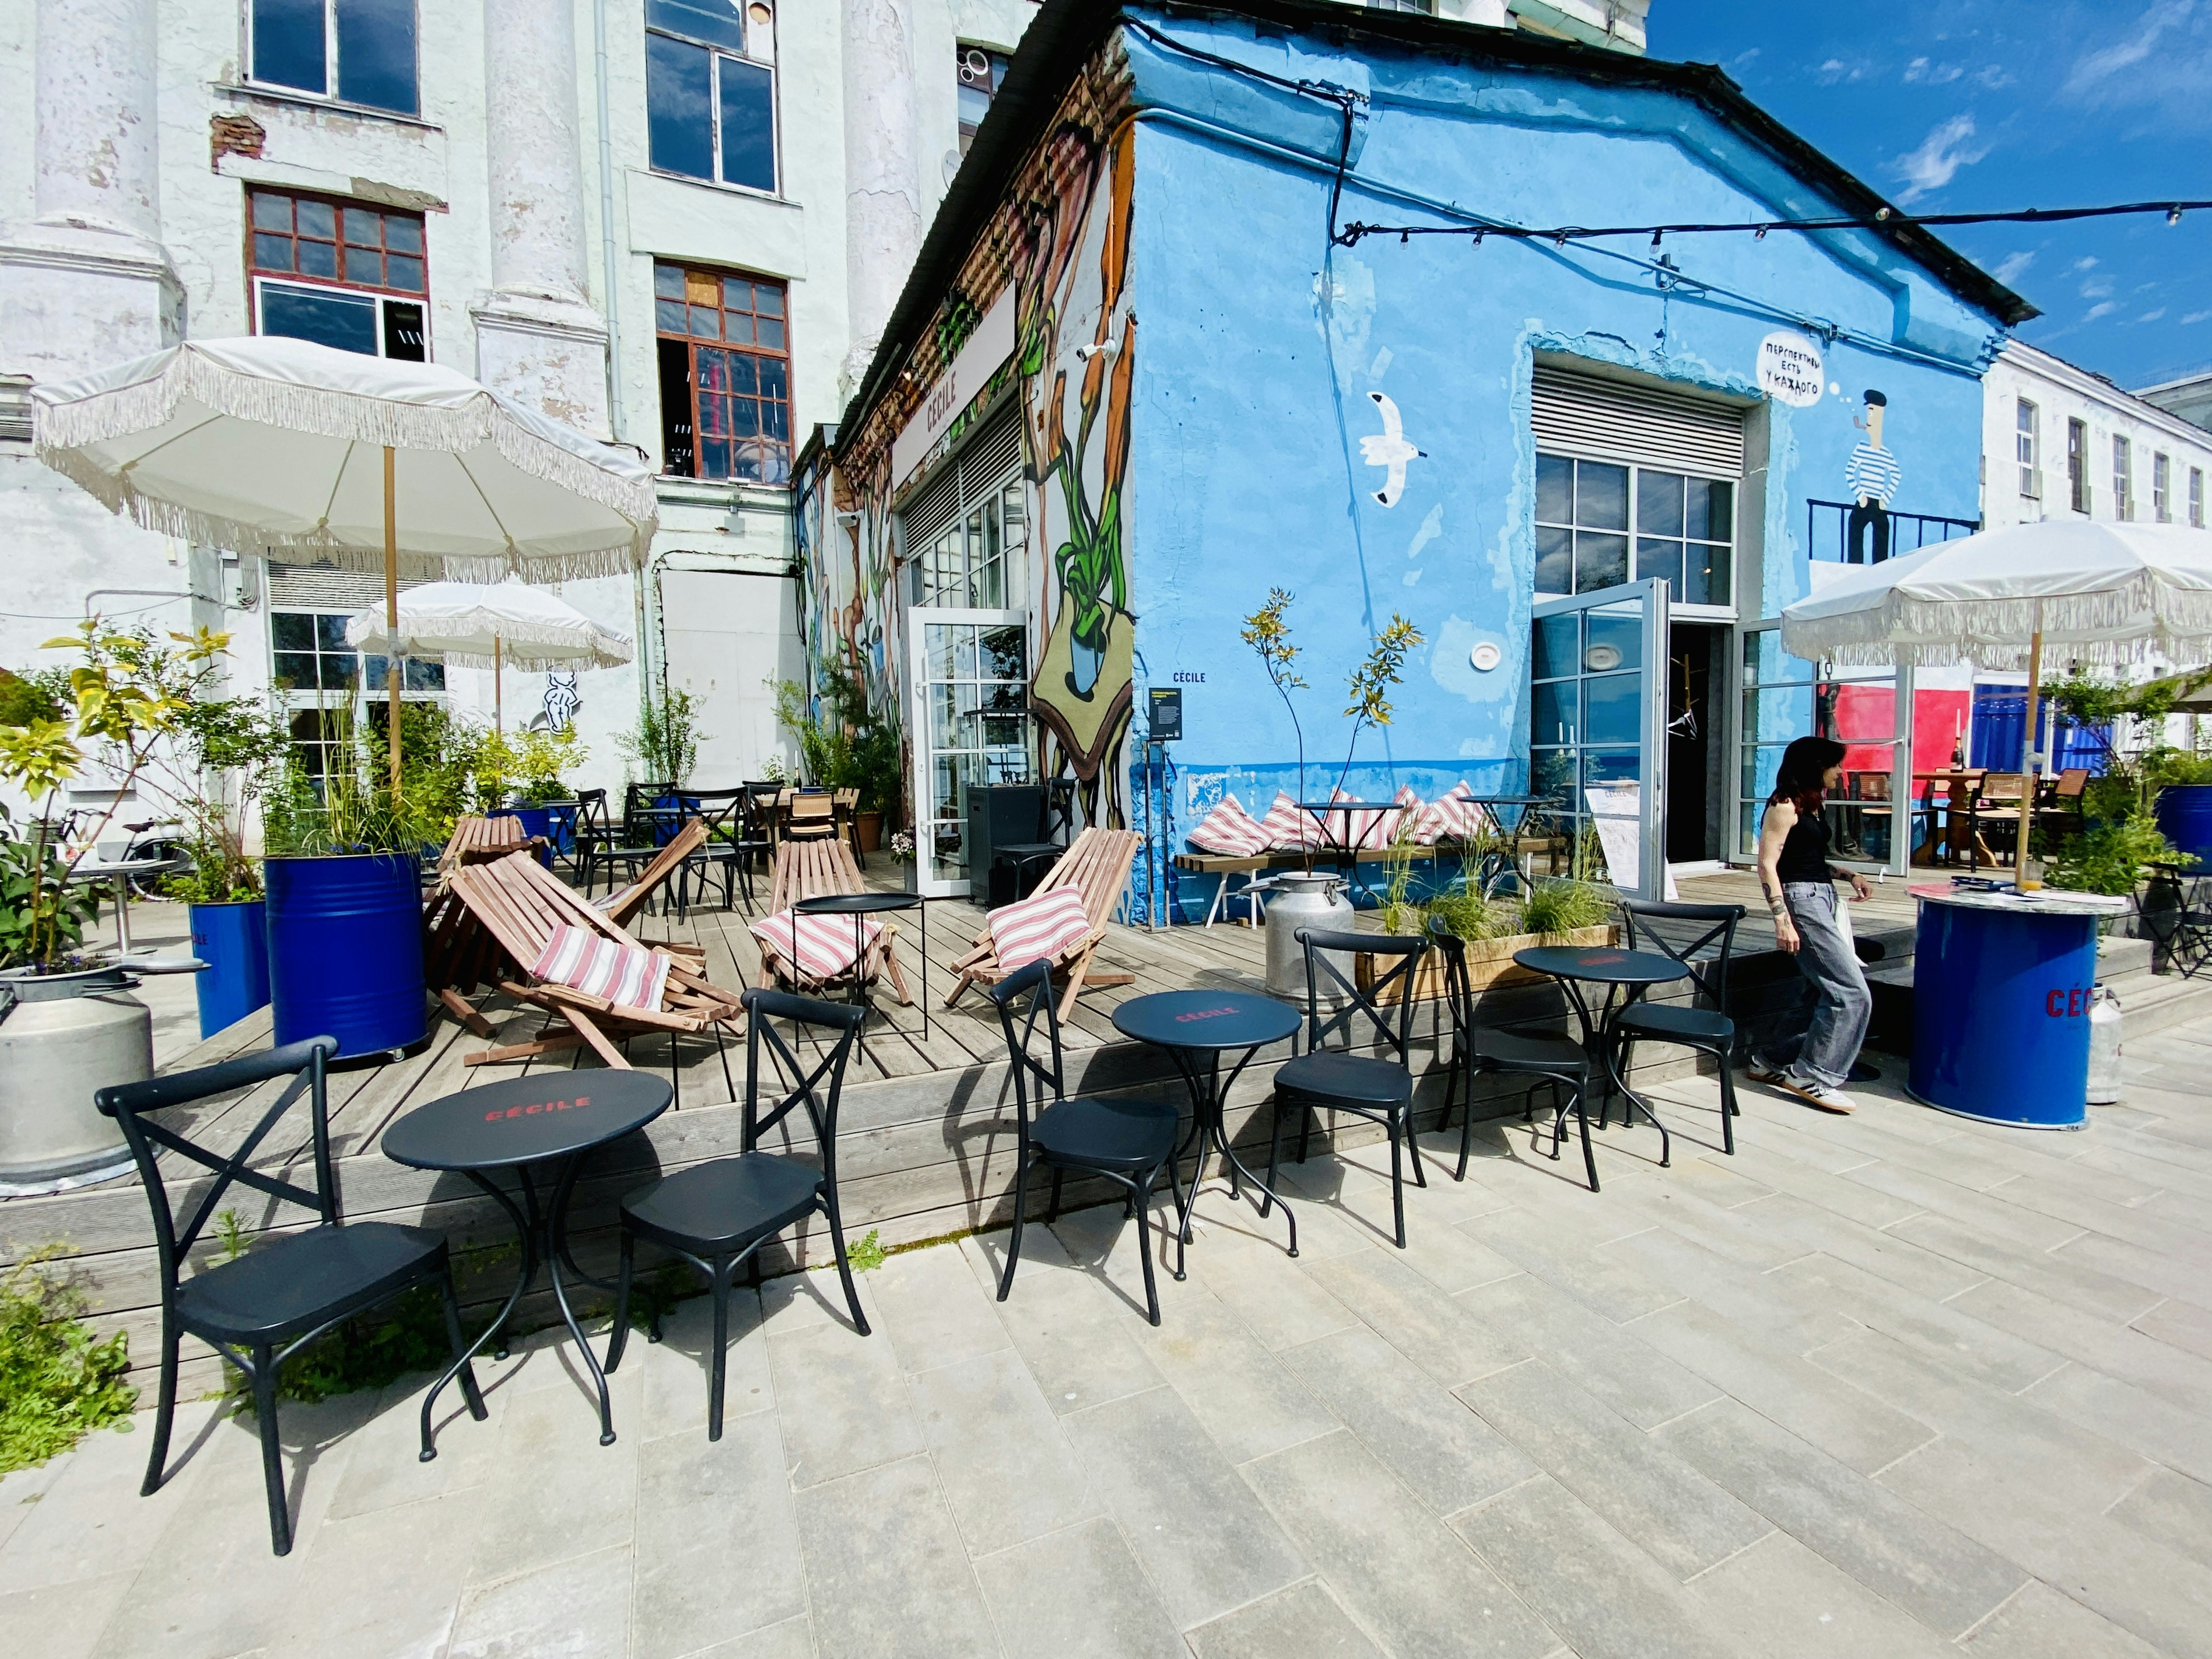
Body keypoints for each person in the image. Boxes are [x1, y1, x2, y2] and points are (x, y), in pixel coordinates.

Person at [1750, 736, 1873, 1113]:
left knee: (1818, 989)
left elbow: (1806, 858)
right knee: (1851, 993)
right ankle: (1814, 1076)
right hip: (1801, 903)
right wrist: (1781, 920)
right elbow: (1767, 865)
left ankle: (1770, 1061)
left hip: (1822, 897)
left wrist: (1848, 874)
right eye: (1834, 765)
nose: (1840, 771)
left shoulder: (1811, 804)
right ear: (1814, 766)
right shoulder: (1783, 805)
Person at [1844, 389, 1901, 565]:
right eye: (1869, 413)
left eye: (1873, 413)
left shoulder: (1885, 453)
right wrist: (1860, 495)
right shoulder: (1862, 448)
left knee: (1881, 536)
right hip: (1864, 501)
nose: (1869, 419)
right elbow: (1849, 472)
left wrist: (1885, 499)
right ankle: (1855, 569)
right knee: (1855, 529)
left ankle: (1880, 570)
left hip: (1878, 503)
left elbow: (1896, 475)